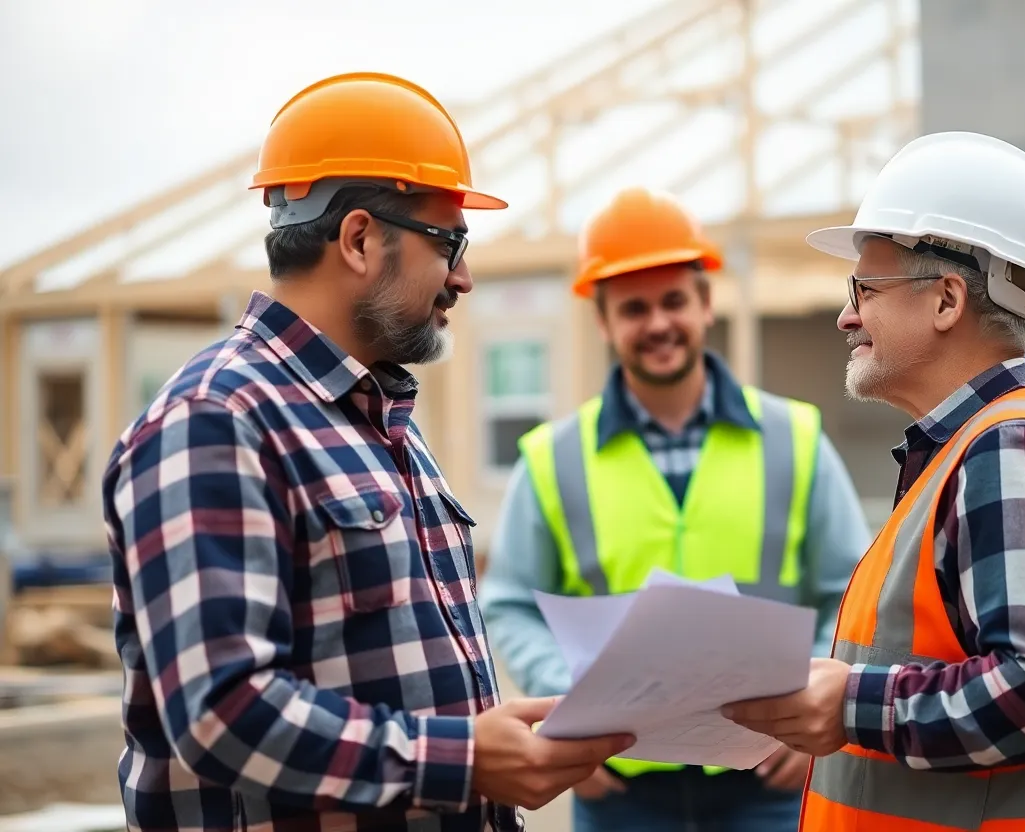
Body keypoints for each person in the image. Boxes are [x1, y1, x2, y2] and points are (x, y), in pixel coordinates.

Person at [100, 72, 633, 832]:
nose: (464, 278)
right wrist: (463, 759)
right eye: (449, 243)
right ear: (358, 239)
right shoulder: (215, 419)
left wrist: (489, 741)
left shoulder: (379, 420)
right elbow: (222, 709)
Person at [721, 131, 1025, 831]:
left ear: (947, 301)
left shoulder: (1016, 452)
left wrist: (848, 703)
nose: (846, 315)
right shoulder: (972, 454)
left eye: (866, 288)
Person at [478, 186, 873, 832]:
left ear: (705, 303)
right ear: (603, 321)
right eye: (634, 308)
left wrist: (813, 720)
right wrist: (571, 706)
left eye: (673, 301)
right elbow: (511, 603)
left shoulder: (794, 440)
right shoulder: (552, 459)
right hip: (616, 785)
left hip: (769, 776)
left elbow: (851, 592)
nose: (658, 323)